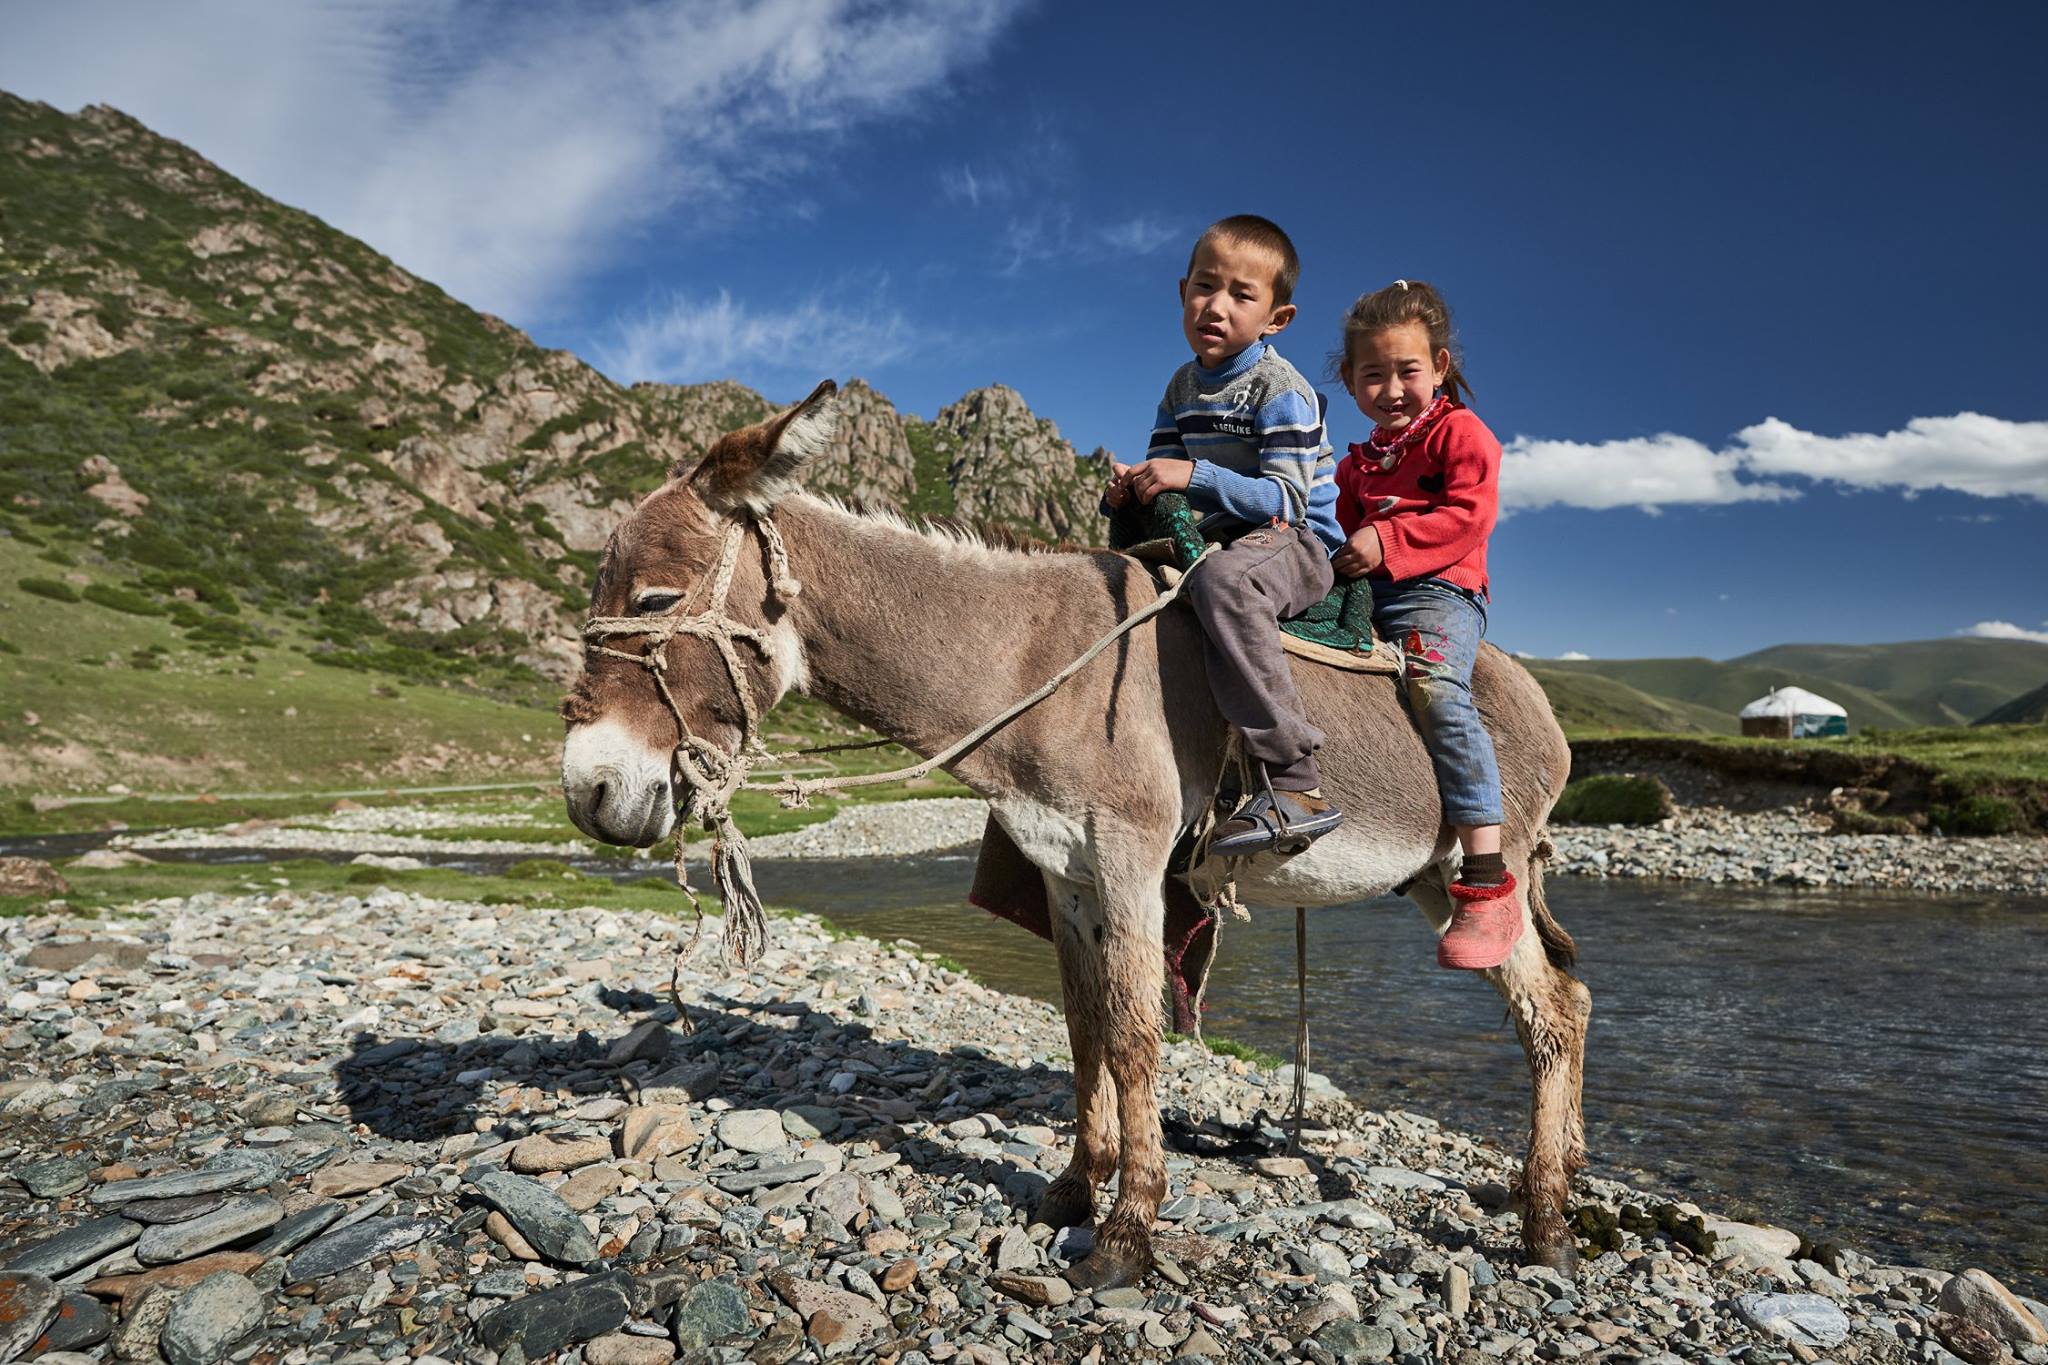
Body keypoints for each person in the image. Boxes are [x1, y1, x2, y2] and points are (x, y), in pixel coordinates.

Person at [1104, 214, 1346, 855]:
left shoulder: (1280, 389)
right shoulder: (1181, 385)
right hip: (1221, 533)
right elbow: (1167, 475)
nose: (1216, 306)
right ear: (1182, 290)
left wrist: (1194, 474)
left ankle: (1296, 783)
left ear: (1277, 318)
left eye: (1242, 295)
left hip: (1295, 543)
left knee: (1223, 582)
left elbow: (1289, 501)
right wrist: (1133, 488)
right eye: (1204, 287)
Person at [1329, 279, 1518, 969]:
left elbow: (1471, 514)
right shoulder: (1355, 465)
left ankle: (1488, 877)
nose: (1391, 388)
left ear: (1439, 365)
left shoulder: (1462, 434)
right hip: (1365, 594)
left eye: (1407, 370)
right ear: (1349, 381)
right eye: (1372, 374)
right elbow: (1337, 527)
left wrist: (1387, 541)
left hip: (1439, 592)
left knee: (1437, 689)